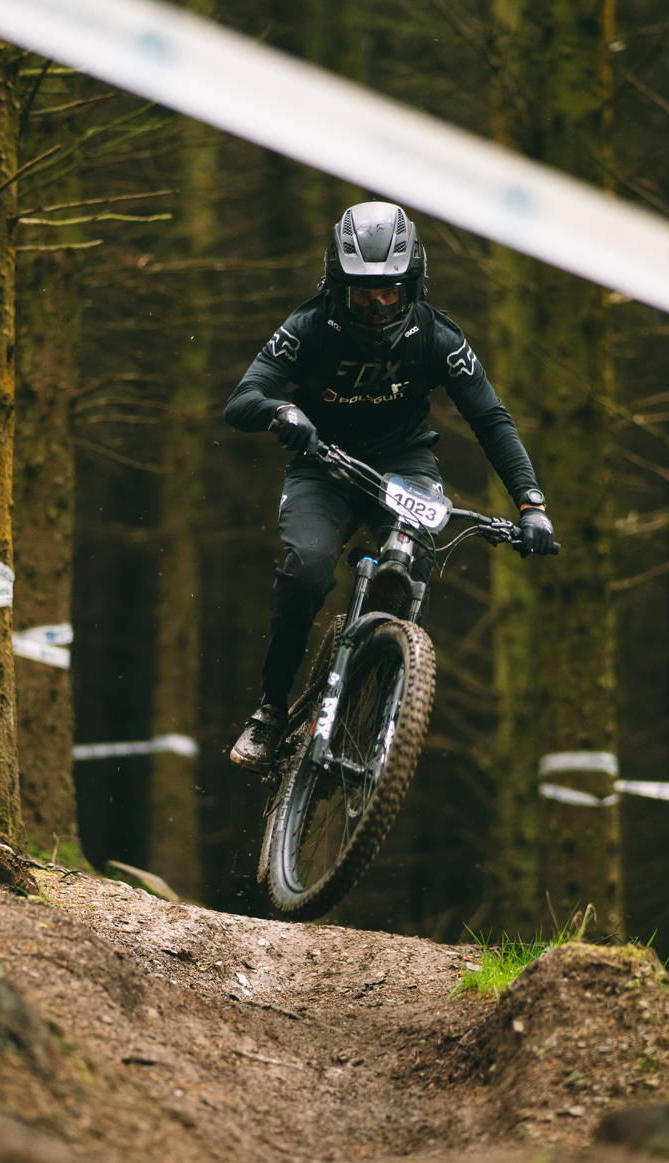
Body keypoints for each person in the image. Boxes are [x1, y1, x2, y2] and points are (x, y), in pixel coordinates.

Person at [224, 200, 557, 773]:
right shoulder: (307, 327)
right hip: (323, 464)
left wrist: (531, 503)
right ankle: (271, 711)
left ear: (415, 284)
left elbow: (491, 420)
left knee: (413, 566)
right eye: (361, 291)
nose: (376, 304)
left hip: (405, 467)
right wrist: (282, 411)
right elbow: (241, 400)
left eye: (390, 290)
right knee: (307, 568)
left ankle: (378, 703)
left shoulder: (438, 336)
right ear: (337, 286)